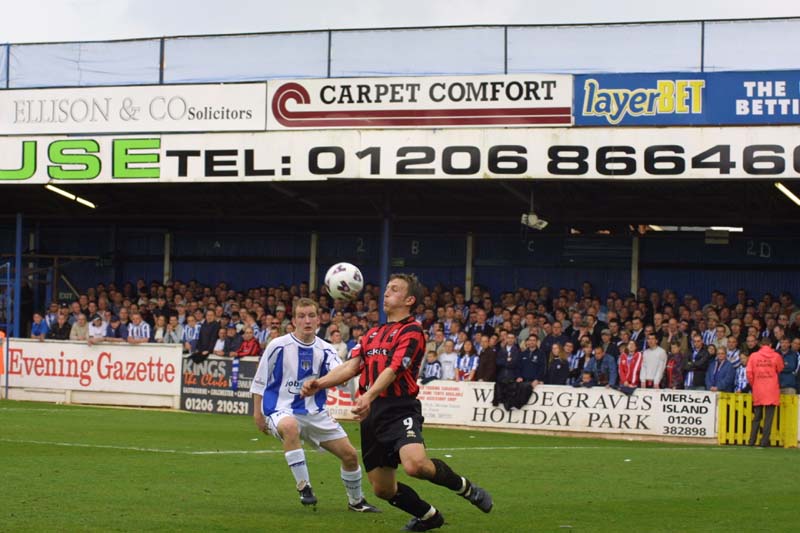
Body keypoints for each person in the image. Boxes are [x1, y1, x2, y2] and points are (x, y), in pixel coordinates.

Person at [302, 274, 492, 531]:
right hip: (373, 415)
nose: (386, 293)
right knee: (382, 489)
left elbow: (394, 369)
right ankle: (429, 516)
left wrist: (367, 396)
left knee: (415, 466)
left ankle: (465, 488)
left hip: (399, 407)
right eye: (387, 289)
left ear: (409, 299)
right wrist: (319, 383)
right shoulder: (373, 333)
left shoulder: (412, 331)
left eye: (394, 289)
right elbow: (352, 365)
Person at [250, 298, 379, 512]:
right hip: (281, 409)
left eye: (311, 316)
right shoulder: (278, 345)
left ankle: (356, 502)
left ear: (318, 319)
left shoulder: (326, 349)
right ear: (294, 320)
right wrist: (257, 414)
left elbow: (341, 375)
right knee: (290, 426)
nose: (307, 321)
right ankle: (305, 487)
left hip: (315, 414)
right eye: (302, 316)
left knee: (350, 455)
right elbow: (260, 380)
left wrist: (358, 358)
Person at [747, 340, 784, 447]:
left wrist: (754, 384)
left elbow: (749, 373)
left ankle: (751, 440)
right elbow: (780, 368)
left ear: (760, 345)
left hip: (758, 388)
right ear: (770, 345)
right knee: (769, 418)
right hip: (771, 389)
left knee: (757, 417)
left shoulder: (754, 356)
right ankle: (764, 441)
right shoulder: (776, 356)